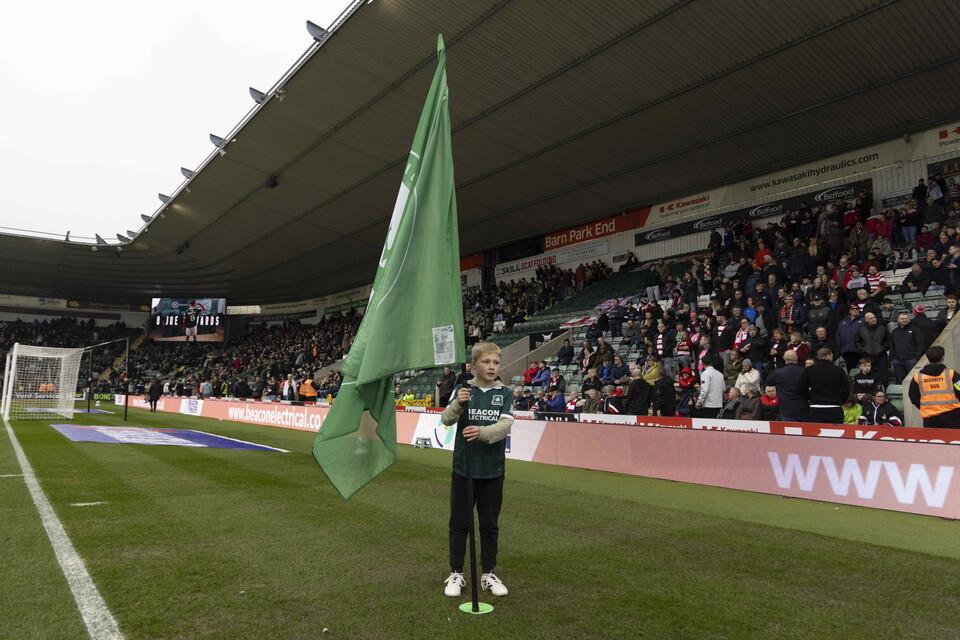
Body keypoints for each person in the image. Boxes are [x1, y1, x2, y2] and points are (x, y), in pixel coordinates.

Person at [440, 342, 513, 598]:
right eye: (486, 362)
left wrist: (482, 432)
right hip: (464, 468)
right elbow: (446, 419)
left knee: (490, 525)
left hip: (492, 469)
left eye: (496, 362)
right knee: (459, 522)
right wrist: (458, 404)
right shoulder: (462, 390)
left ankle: (488, 574)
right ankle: (456, 573)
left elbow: (505, 427)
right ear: (473, 365)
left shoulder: (505, 393)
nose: (492, 367)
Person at [908, 345, 960, 428]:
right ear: (942, 358)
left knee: (934, 440)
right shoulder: (952, 374)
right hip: (952, 417)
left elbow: (913, 397)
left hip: (930, 418)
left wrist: (926, 407)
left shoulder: (918, 377)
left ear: (928, 358)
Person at [801, 348, 851, 424]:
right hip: (834, 408)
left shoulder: (809, 370)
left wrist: (809, 398)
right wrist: (840, 400)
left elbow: (800, 387)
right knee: (835, 434)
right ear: (829, 356)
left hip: (816, 408)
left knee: (817, 434)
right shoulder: (838, 370)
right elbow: (846, 389)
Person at [765, 350, 810, 421]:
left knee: (790, 430)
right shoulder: (804, 371)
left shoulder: (778, 372)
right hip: (802, 406)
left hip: (786, 408)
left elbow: (768, 382)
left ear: (784, 358)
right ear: (796, 358)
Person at [889, 312, 924, 382]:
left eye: (906, 318)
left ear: (909, 319)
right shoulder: (894, 331)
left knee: (914, 381)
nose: (904, 320)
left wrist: (917, 357)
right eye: (902, 319)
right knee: (900, 381)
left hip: (911, 360)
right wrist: (892, 358)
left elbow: (920, 344)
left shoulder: (915, 330)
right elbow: (892, 345)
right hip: (898, 361)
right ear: (898, 320)